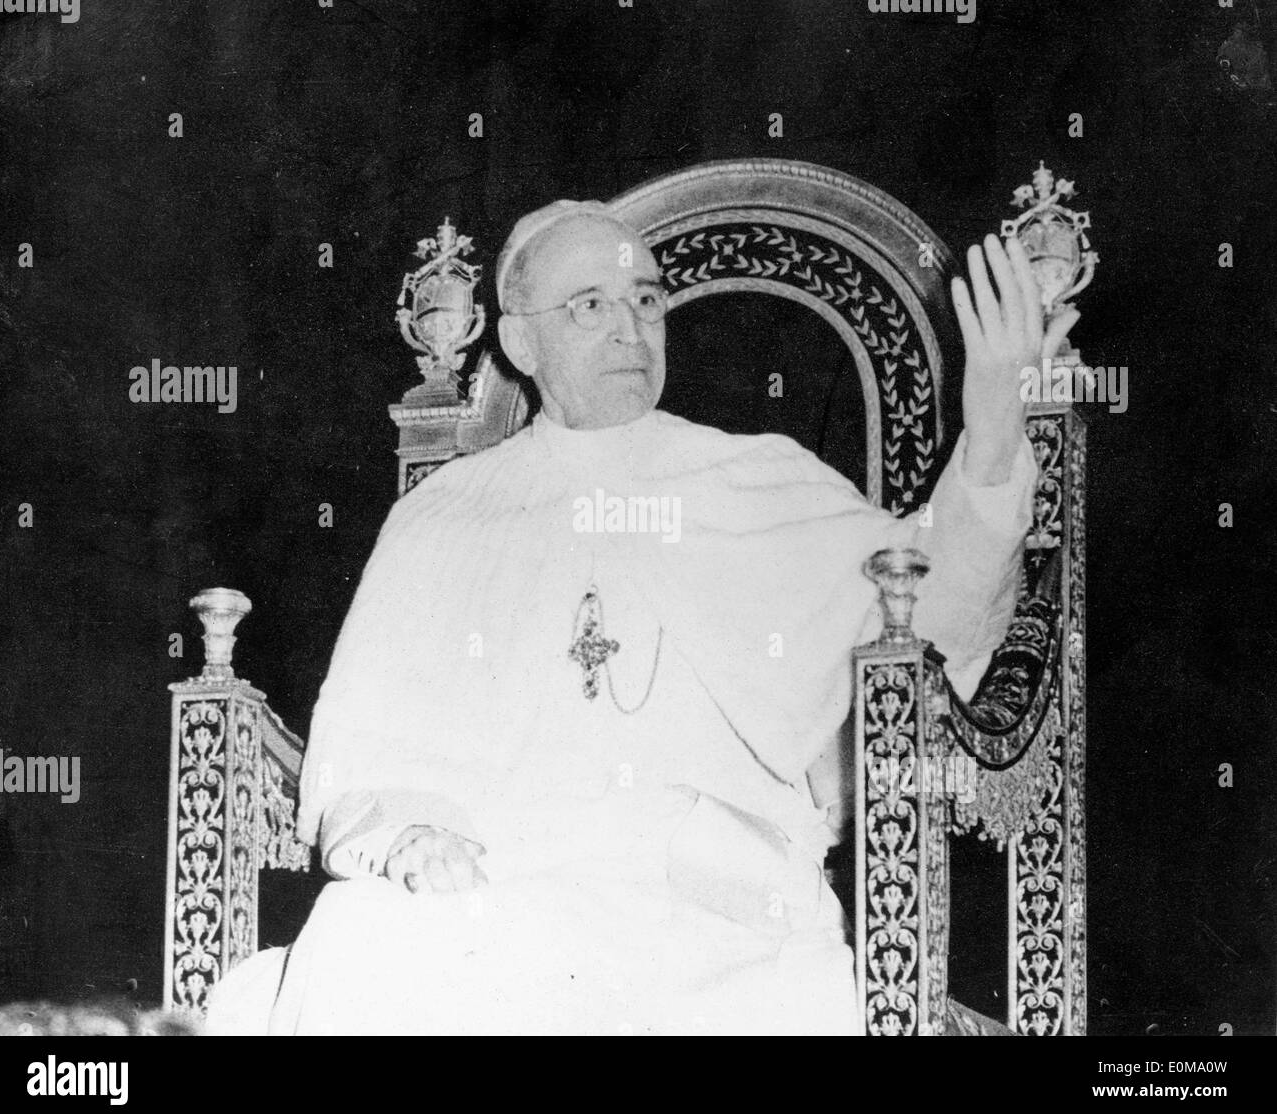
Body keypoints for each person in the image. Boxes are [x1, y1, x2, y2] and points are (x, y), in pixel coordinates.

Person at [209, 199, 1074, 1036]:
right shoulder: (445, 515)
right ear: (521, 340)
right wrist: (410, 831)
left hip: (713, 907)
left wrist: (992, 435)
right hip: (501, 888)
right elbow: (371, 745)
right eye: (591, 305)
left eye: (648, 300)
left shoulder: (759, 479)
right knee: (357, 943)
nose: (631, 328)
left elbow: (925, 614)